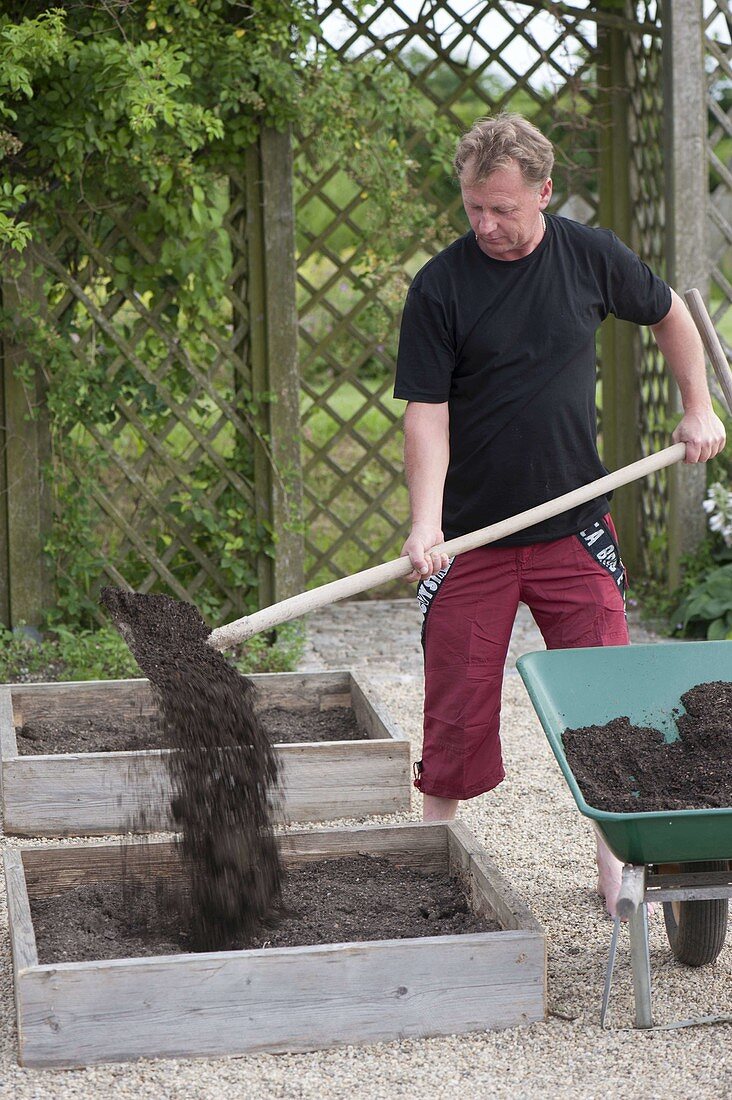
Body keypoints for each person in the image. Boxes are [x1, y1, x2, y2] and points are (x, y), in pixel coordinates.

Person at [393, 113, 725, 918]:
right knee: (455, 706)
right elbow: (426, 415)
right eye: (473, 206)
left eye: (502, 207)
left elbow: (669, 315)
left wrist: (697, 406)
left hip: (575, 528)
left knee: (608, 707)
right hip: (472, 539)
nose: (485, 224)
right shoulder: (441, 286)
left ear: (544, 193)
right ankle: (434, 867)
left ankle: (619, 879)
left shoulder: (591, 256)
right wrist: (426, 521)